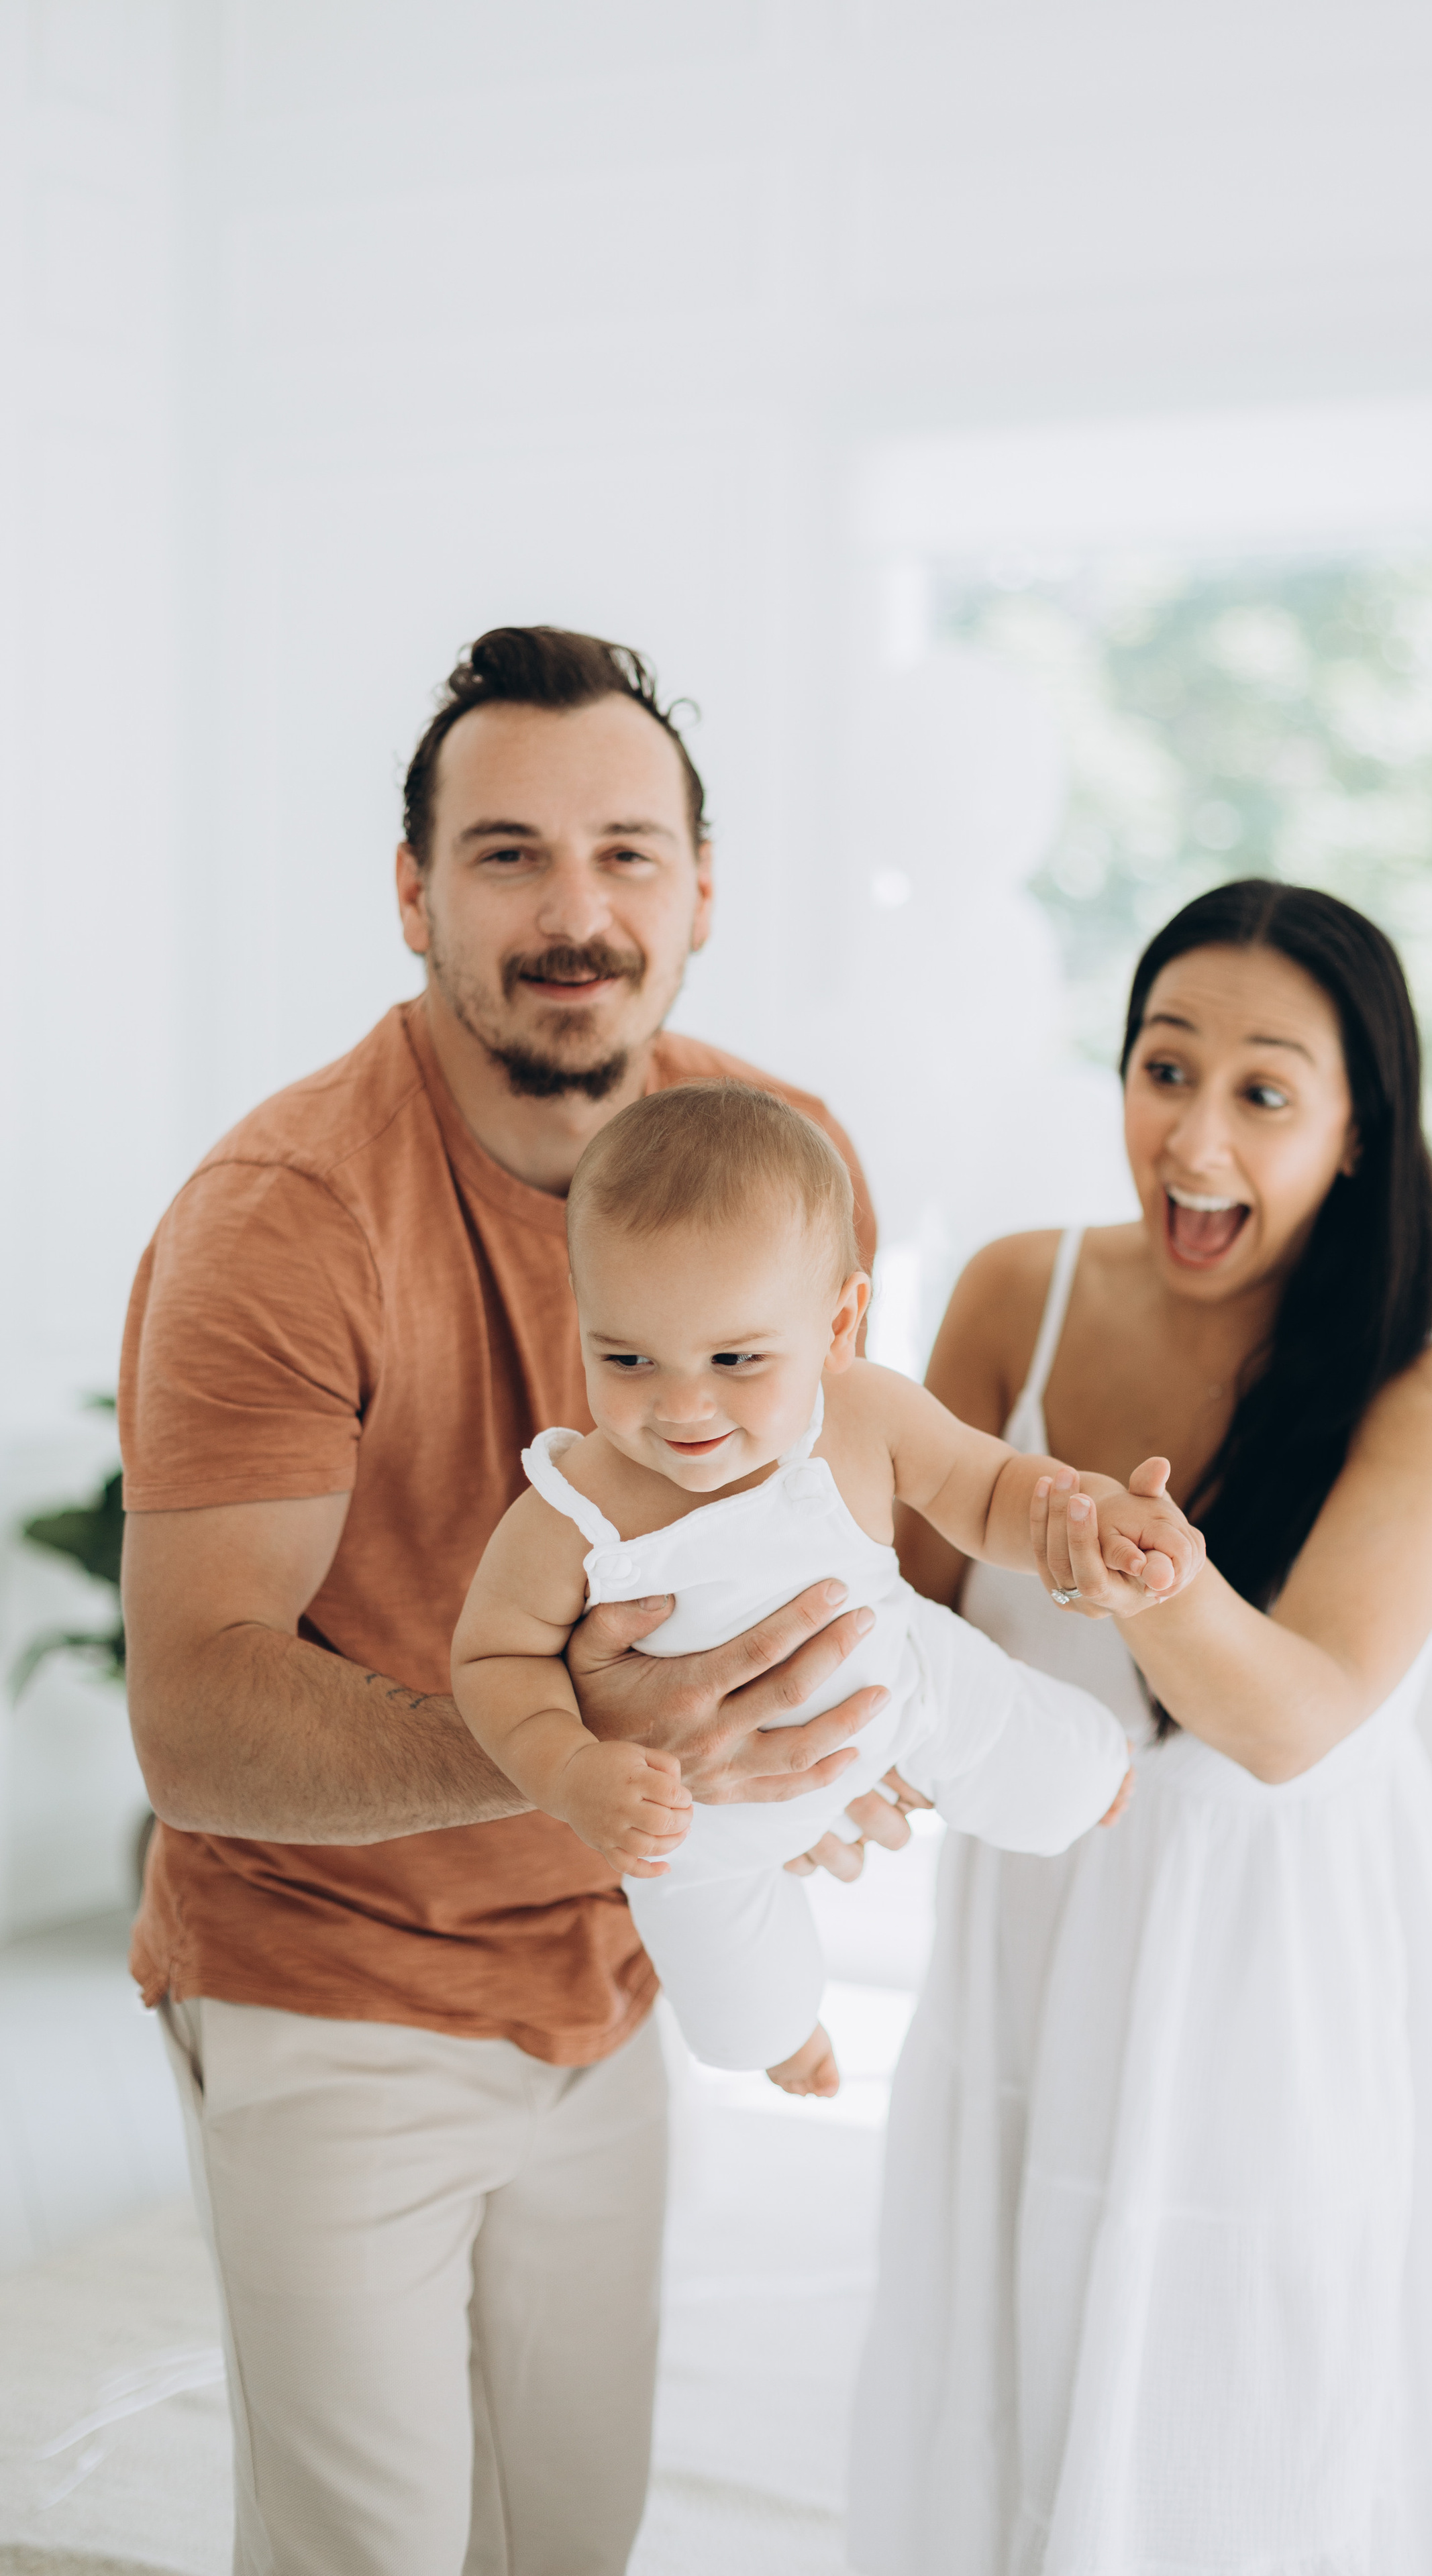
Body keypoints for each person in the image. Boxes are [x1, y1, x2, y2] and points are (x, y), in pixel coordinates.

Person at [119, 625, 896, 2576]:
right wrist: (572, 1749)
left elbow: (845, 1512)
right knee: (364, 2554)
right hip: (328, 1987)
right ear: (413, 895)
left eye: (630, 852)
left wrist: (846, 1739)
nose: (578, 913)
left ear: (702, 892)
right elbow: (197, 1716)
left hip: (612, 1981)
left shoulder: (781, 1164)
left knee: (569, 2541)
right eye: (508, 856)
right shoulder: (286, 1217)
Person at [850, 879, 1432, 2576]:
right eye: (1163, 1068)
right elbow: (900, 1629)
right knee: (1008, 2399)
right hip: (1028, 1959)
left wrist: (1128, 1566)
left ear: (1357, 1131)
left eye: (1264, 1092)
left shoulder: (1424, 1385)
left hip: (1271, 1992)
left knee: (1241, 2442)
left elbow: (1287, 1721)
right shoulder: (1014, 1295)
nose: (1194, 1135)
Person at [451, 1079, 1194, 2094]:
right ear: (580, 1318)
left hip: (895, 1683)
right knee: (715, 1958)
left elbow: (990, 1492)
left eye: (736, 1357)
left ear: (839, 1323)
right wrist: (569, 1770)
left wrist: (1090, 1522)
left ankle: (1091, 1775)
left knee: (998, 1721)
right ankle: (787, 2035)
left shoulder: (859, 1417)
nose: (681, 1404)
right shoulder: (574, 1511)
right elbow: (494, 1658)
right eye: (625, 1356)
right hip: (703, 1814)